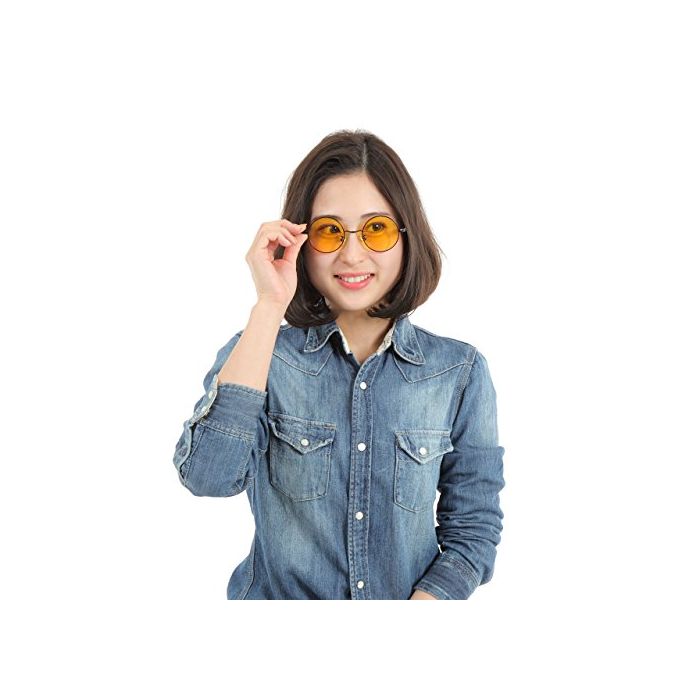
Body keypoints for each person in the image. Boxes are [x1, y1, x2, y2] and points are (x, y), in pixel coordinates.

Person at [172, 129, 506, 600]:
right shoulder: (259, 355)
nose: (352, 254)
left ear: (406, 237)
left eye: (376, 229)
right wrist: (269, 304)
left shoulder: (459, 372)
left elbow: (473, 528)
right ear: (300, 242)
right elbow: (208, 476)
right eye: (329, 231)